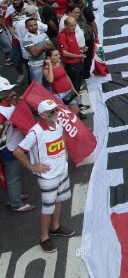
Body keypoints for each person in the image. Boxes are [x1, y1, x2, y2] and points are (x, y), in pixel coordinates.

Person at [12, 99, 76, 253]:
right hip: (47, 177)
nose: (55, 114)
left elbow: (61, 138)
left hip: (61, 171)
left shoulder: (58, 123)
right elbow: (18, 151)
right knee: (48, 208)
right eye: (51, 112)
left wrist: (65, 151)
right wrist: (33, 167)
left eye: (56, 110)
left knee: (59, 200)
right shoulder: (36, 132)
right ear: (41, 115)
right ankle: (44, 238)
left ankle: (55, 227)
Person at [0, 77, 33, 212]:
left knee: (15, 175)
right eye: (8, 91)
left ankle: (15, 195)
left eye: (11, 89)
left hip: (14, 146)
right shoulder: (1, 112)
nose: (13, 92)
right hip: (8, 149)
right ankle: (16, 203)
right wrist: (3, 126)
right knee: (13, 176)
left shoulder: (9, 105)